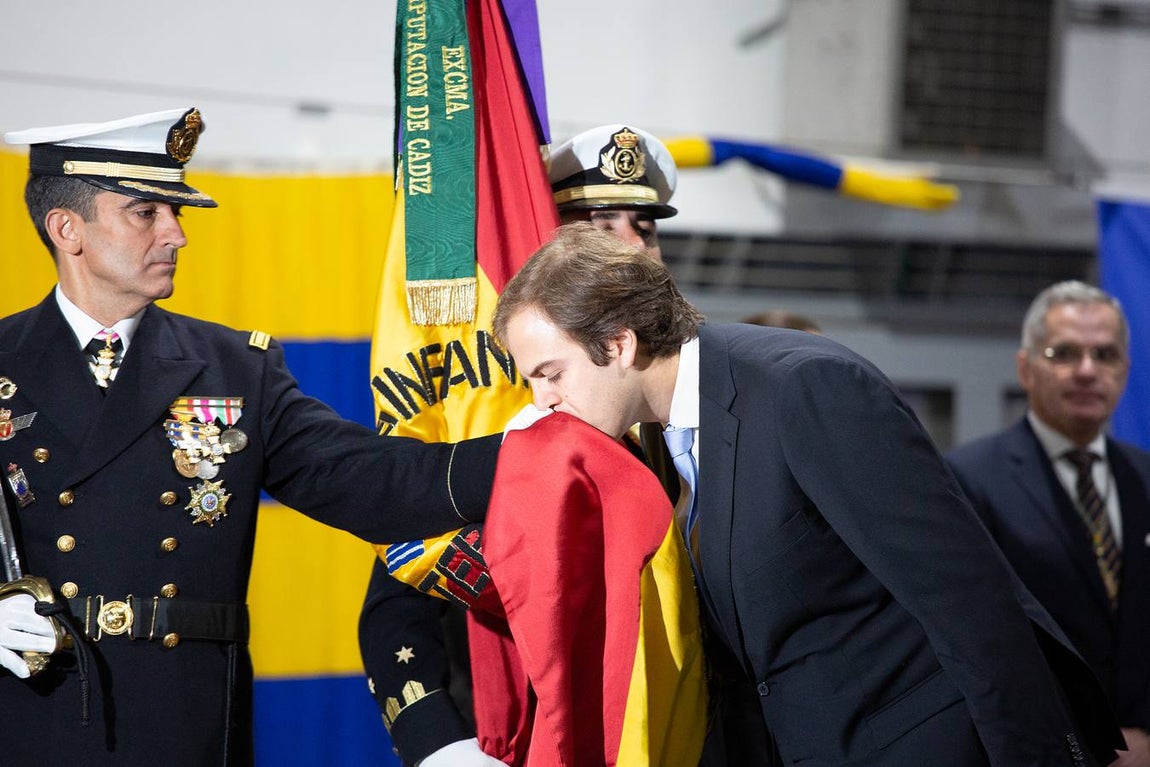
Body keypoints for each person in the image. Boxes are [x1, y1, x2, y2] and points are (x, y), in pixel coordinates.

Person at [489, 222, 1125, 767]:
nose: (543, 400)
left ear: (620, 344)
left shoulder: (806, 388)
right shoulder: (652, 437)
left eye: (550, 374)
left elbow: (967, 599)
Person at [0, 107, 499, 766]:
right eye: (147, 212)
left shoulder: (236, 367)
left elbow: (368, 478)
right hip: (32, 716)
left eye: (177, 213)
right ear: (69, 229)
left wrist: (530, 452)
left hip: (186, 725)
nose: (177, 234)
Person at [357, 123, 685, 767]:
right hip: (511, 731)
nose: (631, 245)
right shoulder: (497, 408)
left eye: (643, 227)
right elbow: (395, 601)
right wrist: (444, 748)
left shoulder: (687, 399)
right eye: (598, 225)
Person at [947, 281, 1150, 767]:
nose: (1086, 370)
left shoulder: (1147, 476)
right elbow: (976, 643)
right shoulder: (967, 480)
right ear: (1026, 367)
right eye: (1064, 353)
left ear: (1124, 370)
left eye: (1104, 354)